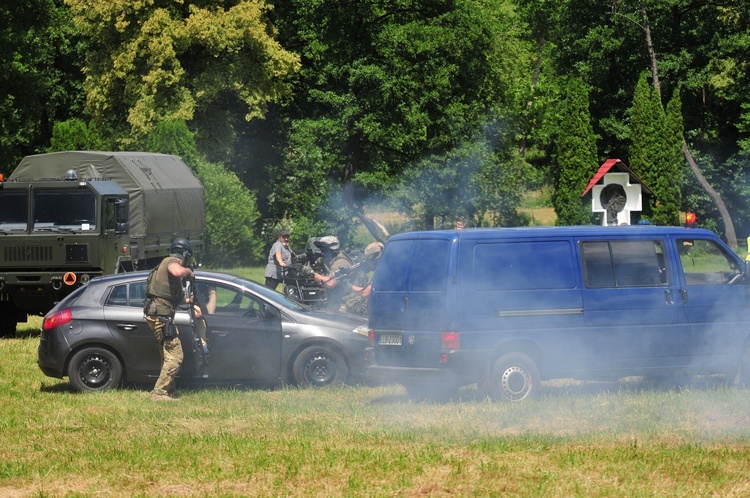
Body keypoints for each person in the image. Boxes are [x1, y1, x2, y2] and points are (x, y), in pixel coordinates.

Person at [143, 238, 194, 401]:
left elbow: (168, 297)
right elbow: (178, 272)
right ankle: (159, 393)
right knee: (176, 356)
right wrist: (189, 272)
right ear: (185, 254)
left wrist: (188, 301)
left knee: (167, 356)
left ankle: (169, 390)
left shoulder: (164, 265)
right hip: (161, 316)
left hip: (159, 314)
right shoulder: (171, 261)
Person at [340, 241, 384, 315]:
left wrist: (346, 283)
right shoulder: (386, 268)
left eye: (369, 260)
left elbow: (364, 293)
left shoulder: (382, 272)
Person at [312, 236, 354, 310]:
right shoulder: (329, 260)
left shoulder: (341, 262)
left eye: (324, 250)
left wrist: (311, 273)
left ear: (332, 251)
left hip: (346, 303)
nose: (322, 253)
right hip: (335, 299)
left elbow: (330, 283)